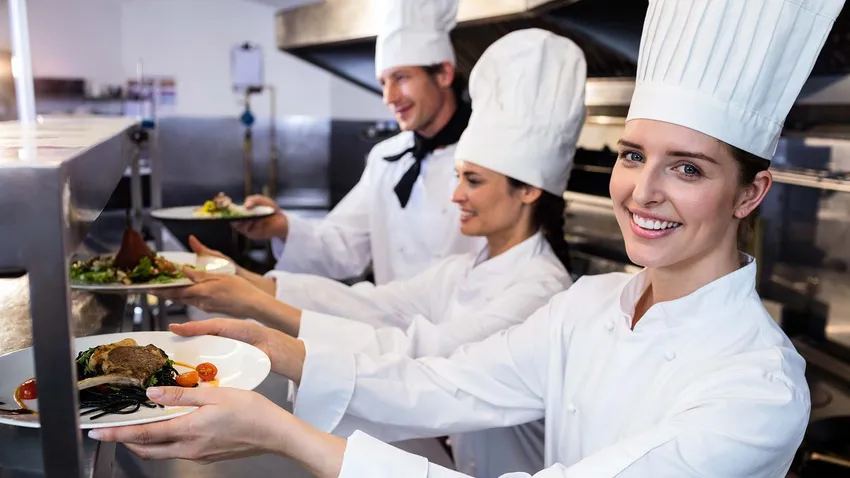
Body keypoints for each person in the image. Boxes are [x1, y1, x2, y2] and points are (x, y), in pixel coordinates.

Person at [91, 0, 845, 476]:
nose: (643, 191)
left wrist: (292, 437)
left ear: (751, 191)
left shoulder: (756, 390)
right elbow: (443, 379)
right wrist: (269, 340)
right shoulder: (591, 305)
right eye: (631, 155)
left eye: (687, 168)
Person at [156, 28, 587, 477]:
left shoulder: (540, 292)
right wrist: (247, 284)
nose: (455, 195)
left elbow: (424, 359)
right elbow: (375, 306)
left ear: (528, 190)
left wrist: (266, 323)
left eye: (472, 181)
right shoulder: (465, 268)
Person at [232, 0, 483, 286]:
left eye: (401, 78)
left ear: (444, 74)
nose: (389, 98)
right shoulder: (386, 158)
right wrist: (281, 227)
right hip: (393, 327)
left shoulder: (487, 156)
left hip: (473, 326)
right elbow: (343, 246)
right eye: (383, 83)